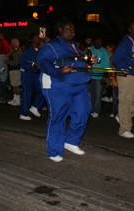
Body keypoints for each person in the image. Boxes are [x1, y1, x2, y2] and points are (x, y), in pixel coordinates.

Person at [37, 17, 91, 162]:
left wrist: (85, 84)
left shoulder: (74, 45)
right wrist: (60, 71)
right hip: (59, 86)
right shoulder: (51, 45)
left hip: (79, 87)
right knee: (58, 117)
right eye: (69, 29)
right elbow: (42, 62)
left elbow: (81, 64)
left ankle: (71, 141)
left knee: (83, 112)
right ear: (60, 29)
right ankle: (54, 150)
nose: (73, 32)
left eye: (73, 29)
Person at [112, 22, 134, 138]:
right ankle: (124, 129)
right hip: (126, 74)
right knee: (125, 100)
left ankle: (122, 116)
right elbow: (116, 59)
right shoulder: (126, 42)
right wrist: (130, 67)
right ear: (130, 29)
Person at [19, 33, 45, 120]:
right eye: (36, 38)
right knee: (27, 94)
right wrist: (33, 65)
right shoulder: (27, 51)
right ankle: (23, 113)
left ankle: (35, 107)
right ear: (32, 40)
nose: (39, 39)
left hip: (36, 74)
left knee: (42, 90)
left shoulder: (39, 50)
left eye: (39, 38)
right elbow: (23, 64)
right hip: (27, 74)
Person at [88, 37, 110, 118]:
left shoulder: (104, 52)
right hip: (89, 76)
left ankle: (96, 111)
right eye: (96, 42)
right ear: (93, 42)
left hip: (99, 77)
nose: (98, 44)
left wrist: (104, 78)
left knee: (98, 95)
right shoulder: (89, 49)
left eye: (100, 42)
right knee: (90, 94)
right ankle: (90, 110)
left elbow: (107, 66)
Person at [6, 38, 23, 106]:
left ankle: (17, 100)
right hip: (13, 70)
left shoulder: (17, 52)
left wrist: (8, 62)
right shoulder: (16, 51)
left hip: (15, 70)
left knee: (16, 85)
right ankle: (15, 99)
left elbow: (16, 62)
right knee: (14, 85)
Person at [0, 33, 10, 103]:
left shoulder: (2, 42)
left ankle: (1, 97)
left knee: (0, 80)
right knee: (3, 80)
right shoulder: (6, 42)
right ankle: (3, 96)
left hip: (1, 59)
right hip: (4, 59)